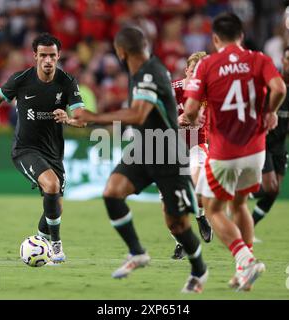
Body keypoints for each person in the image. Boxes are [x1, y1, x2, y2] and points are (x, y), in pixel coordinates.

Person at [74, 26, 208, 293]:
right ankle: (137, 252)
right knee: (112, 192)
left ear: (121, 52)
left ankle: (199, 270)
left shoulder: (150, 73)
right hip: (144, 147)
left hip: (167, 152)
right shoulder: (142, 71)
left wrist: (94, 117)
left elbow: (137, 114)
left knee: (178, 224)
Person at [184, 12, 286, 291]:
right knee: (239, 204)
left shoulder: (207, 65)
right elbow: (279, 87)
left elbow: (191, 110)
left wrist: (189, 117)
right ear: (241, 36)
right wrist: (270, 112)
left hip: (224, 151)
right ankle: (243, 273)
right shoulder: (259, 59)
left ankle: (246, 258)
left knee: (212, 208)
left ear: (215, 39)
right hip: (255, 149)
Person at [0, 33, 86, 264]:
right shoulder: (21, 80)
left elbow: (82, 118)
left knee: (56, 207)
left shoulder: (67, 81)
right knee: (52, 186)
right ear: (35, 56)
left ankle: (39, 242)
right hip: (25, 149)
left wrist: (69, 119)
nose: (48, 60)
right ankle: (55, 247)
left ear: (58, 56)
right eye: (43, 55)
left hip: (54, 153)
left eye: (52, 56)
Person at [252, 46, 289, 229]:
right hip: (263, 142)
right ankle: (239, 194)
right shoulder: (271, 84)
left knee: (274, 192)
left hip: (280, 145)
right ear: (283, 60)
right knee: (270, 187)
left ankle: (248, 225)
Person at [170, 51, 213, 260]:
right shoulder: (173, 89)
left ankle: (200, 217)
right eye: (194, 70)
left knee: (195, 184)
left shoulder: (208, 93)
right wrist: (176, 120)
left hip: (198, 145)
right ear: (187, 69)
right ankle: (180, 242)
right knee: (169, 203)